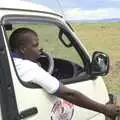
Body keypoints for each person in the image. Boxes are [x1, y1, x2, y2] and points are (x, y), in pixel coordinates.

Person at [9, 27, 120, 119]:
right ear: (22, 49)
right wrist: (104, 109)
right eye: (35, 45)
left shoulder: (11, 62)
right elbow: (69, 94)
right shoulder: (28, 67)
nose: (40, 49)